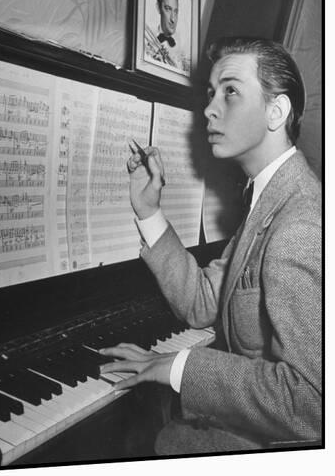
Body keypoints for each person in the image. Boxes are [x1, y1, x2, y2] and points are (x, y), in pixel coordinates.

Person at [100, 37, 321, 454]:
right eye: (211, 93)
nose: (209, 108)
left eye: (231, 91)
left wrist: (180, 365)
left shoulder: (300, 224)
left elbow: (310, 402)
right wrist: (149, 211)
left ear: (277, 111)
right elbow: (204, 302)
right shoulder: (271, 200)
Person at [144, 0, 190, 74]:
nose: (173, 19)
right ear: (158, 8)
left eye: (176, 11)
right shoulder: (145, 39)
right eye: (168, 9)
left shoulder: (185, 47)